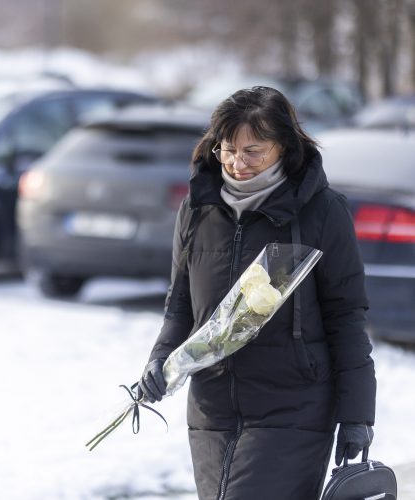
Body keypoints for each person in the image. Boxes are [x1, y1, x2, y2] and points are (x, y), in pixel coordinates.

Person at [137, 86, 376, 500]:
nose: (237, 163)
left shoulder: (321, 212)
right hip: (212, 408)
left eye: (253, 151)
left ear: (283, 146)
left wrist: (357, 414)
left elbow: (346, 316)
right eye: (227, 149)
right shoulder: (197, 209)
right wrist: (161, 360)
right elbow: (180, 306)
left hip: (293, 407)